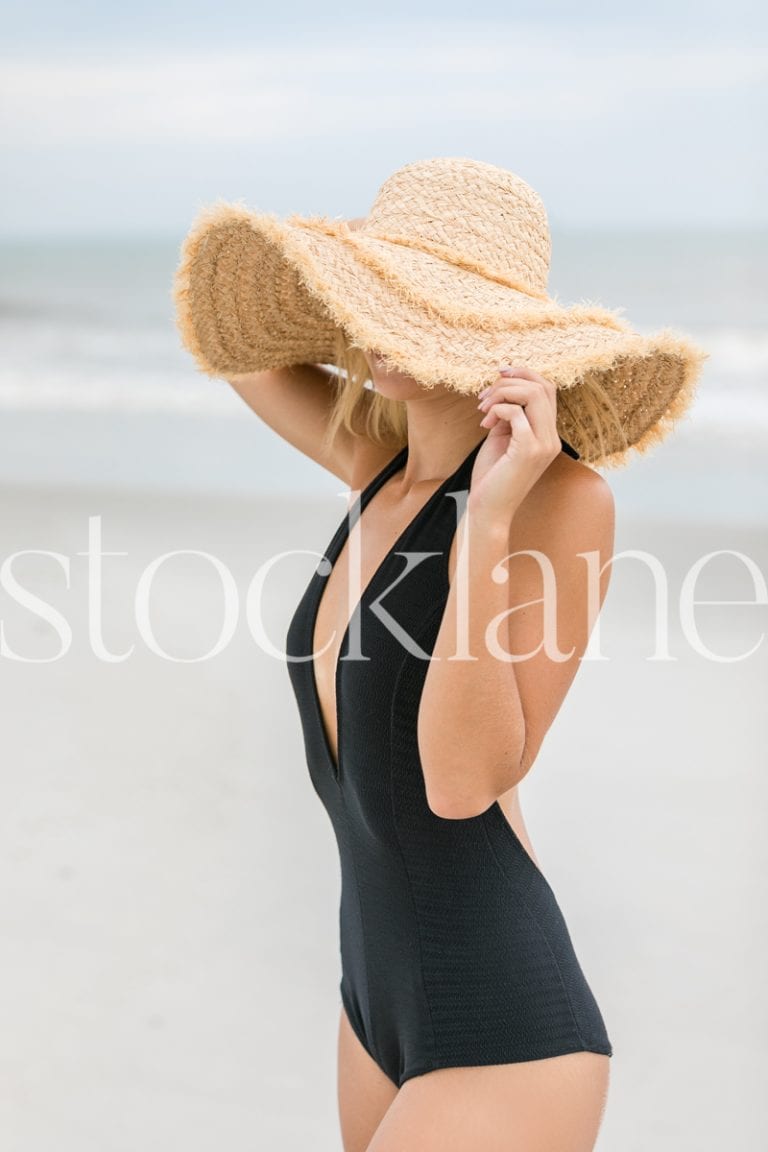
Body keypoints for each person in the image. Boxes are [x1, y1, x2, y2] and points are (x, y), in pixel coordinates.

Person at [173, 158, 708, 1151]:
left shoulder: (564, 506)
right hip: (371, 1001)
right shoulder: (379, 474)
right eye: (379, 300)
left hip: (504, 1021)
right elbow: (241, 351)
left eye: (427, 308)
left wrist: (490, 523)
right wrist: (353, 282)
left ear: (499, 338)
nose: (388, 323)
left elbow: (463, 783)